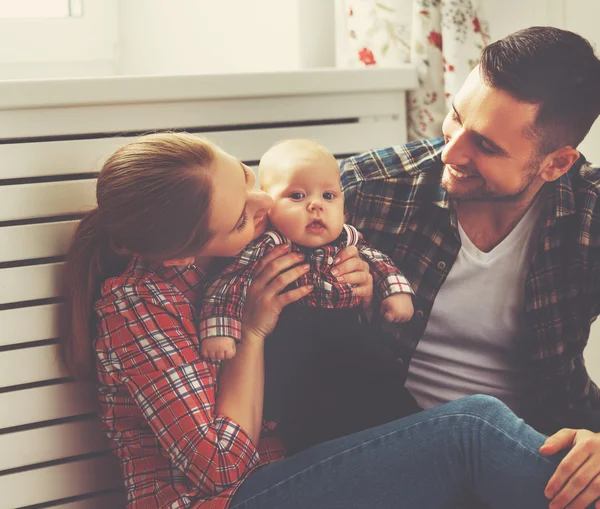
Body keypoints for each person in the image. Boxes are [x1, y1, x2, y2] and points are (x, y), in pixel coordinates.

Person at [62, 131, 573, 509]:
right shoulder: (137, 306)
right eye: (242, 215)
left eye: (245, 176)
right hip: (220, 501)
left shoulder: (243, 253)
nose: (264, 201)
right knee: (472, 427)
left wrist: (365, 294)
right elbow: (217, 470)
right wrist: (252, 333)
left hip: (294, 467)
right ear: (179, 255)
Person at [341, 25, 600, 509]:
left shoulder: (590, 213)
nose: (450, 152)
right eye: (455, 119)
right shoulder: (369, 190)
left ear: (556, 164)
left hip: (537, 443)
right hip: (389, 440)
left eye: (485, 146)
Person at [198, 138, 416, 453]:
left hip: (358, 358)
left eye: (329, 195)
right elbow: (228, 284)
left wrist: (395, 295)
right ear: (267, 206)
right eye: (297, 196)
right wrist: (221, 330)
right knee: (314, 427)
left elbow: (380, 264)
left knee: (392, 407)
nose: (316, 205)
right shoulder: (264, 249)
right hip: (297, 369)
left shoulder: (348, 240)